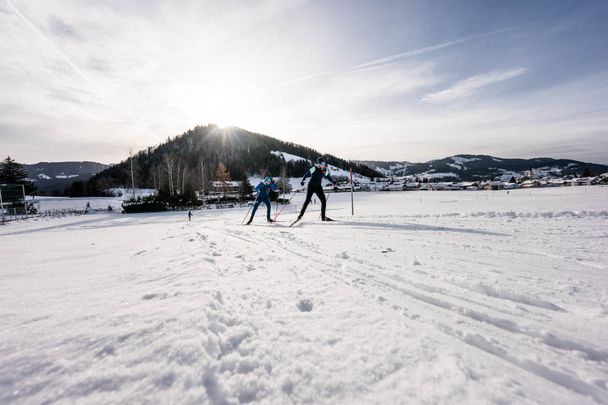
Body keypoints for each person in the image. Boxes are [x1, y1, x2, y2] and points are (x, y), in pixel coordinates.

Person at [297, 157, 336, 222]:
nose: (323, 165)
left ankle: (323, 217)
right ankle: (300, 215)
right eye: (322, 163)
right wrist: (303, 181)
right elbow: (307, 174)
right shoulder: (314, 168)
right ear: (319, 164)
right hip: (311, 186)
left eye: (324, 163)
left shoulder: (325, 170)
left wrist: (333, 181)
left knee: (323, 201)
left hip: (318, 187)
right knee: (307, 201)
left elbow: (328, 176)